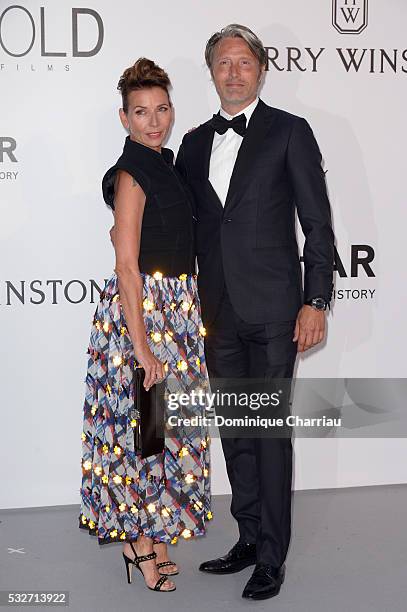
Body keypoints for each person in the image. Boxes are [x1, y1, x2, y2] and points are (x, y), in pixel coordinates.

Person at [175, 24, 335, 600]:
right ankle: (246, 537)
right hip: (215, 309)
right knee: (236, 431)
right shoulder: (193, 144)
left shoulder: (290, 132)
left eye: (244, 62)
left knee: (268, 433)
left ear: (261, 70)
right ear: (212, 71)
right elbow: (178, 216)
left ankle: (272, 555)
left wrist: (315, 299)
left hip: (273, 309)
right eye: (223, 62)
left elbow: (317, 223)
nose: (234, 72)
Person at [78, 58, 212, 593]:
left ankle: (154, 536)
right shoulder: (132, 174)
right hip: (145, 317)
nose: (153, 121)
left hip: (176, 314)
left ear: (172, 111)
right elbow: (127, 267)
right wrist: (142, 347)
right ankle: (137, 546)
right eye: (141, 112)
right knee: (143, 434)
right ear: (123, 117)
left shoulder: (168, 164)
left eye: (161, 109)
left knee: (164, 432)